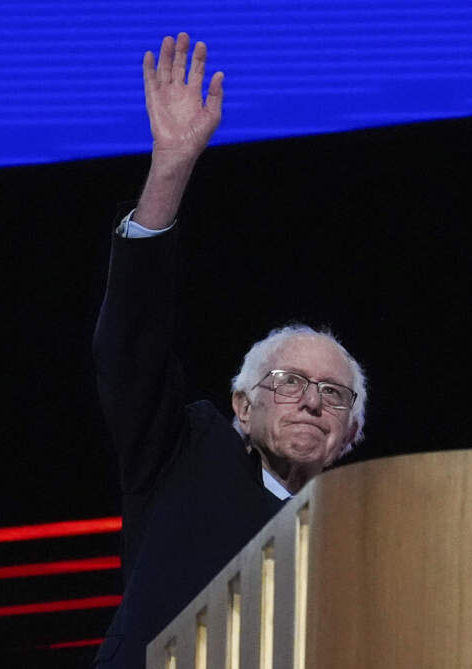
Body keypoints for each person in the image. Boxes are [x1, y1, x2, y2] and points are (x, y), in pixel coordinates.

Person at [91, 33, 367, 668]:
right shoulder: (186, 454)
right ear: (241, 405)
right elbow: (130, 346)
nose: (311, 402)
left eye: (333, 394)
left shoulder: (360, 535)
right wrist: (171, 167)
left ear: (350, 435)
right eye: (290, 381)